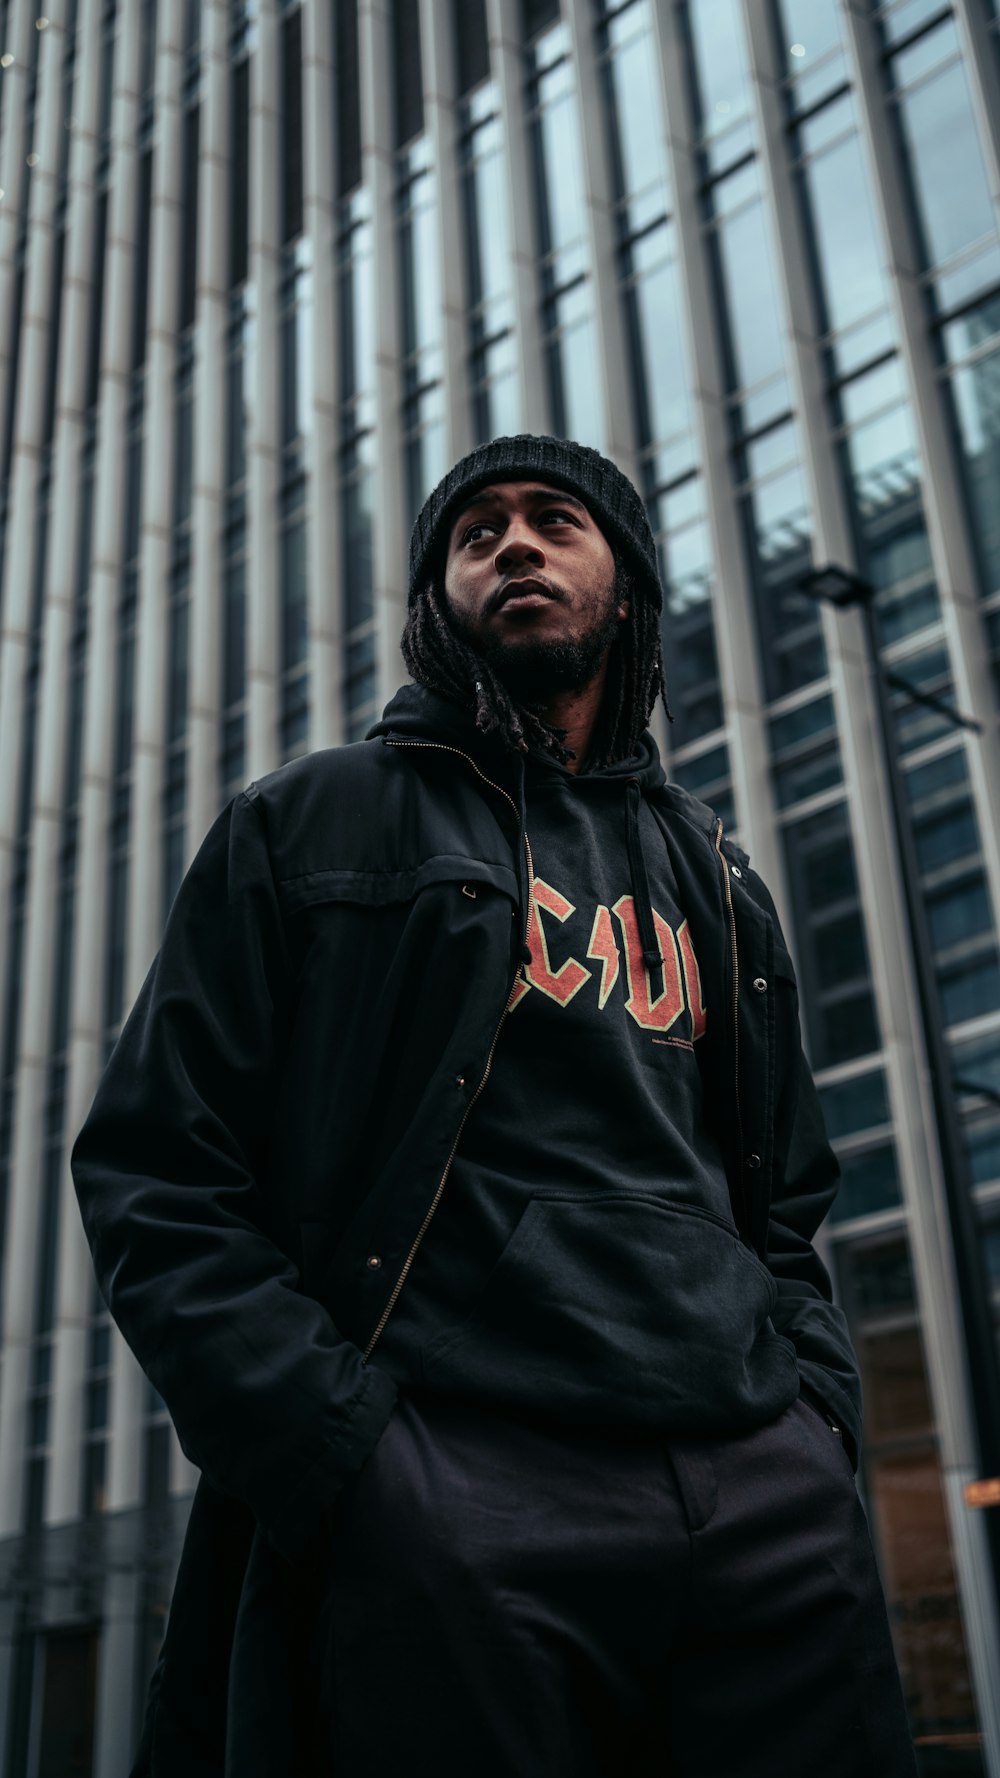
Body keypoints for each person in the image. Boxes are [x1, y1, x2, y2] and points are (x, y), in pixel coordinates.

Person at [72, 435, 916, 1778]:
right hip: (453, 1486)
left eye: (553, 520)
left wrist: (812, 1426)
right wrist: (341, 1455)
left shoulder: (719, 876)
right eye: (477, 533)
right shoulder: (313, 822)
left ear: (626, 586)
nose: (513, 543)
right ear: (438, 602)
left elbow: (786, 1200)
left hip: (759, 1490)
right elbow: (157, 1167)